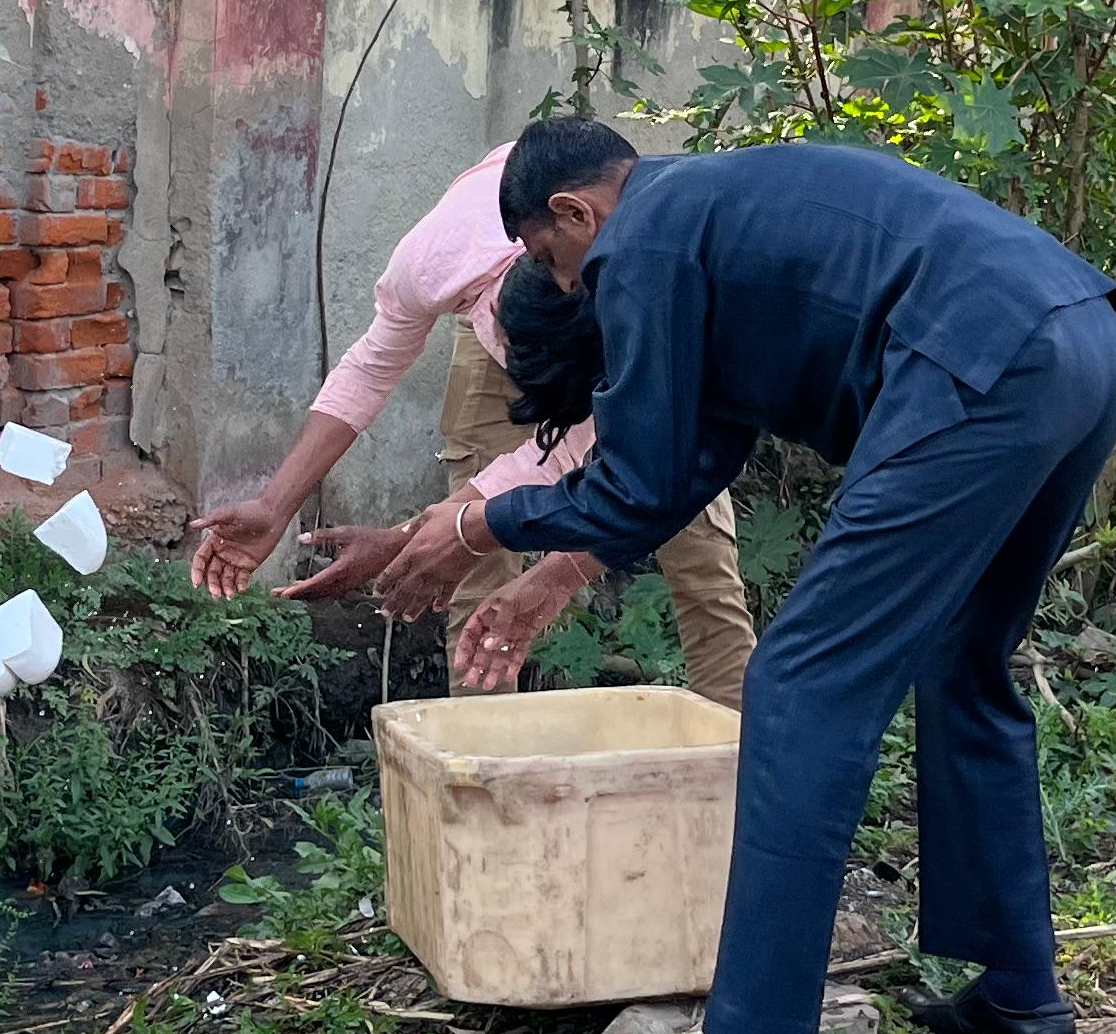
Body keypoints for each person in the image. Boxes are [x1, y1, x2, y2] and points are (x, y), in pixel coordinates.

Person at [309, 117, 1116, 1034]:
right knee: (962, 663)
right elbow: (682, 473)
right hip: (1075, 338)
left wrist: (483, 521)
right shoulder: (715, 225)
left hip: (975, 366)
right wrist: (500, 527)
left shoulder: (641, 239)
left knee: (798, 688)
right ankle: (1021, 994)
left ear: (576, 213)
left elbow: (638, 484)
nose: (565, 283)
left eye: (551, 261)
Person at [185, 139, 755, 709]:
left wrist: (549, 579)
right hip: (524, 308)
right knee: (472, 566)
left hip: (626, 322)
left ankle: (736, 760)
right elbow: (369, 368)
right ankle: (476, 773)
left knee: (698, 550)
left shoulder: (660, 287)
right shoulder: (434, 263)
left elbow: (629, 488)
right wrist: (276, 505)